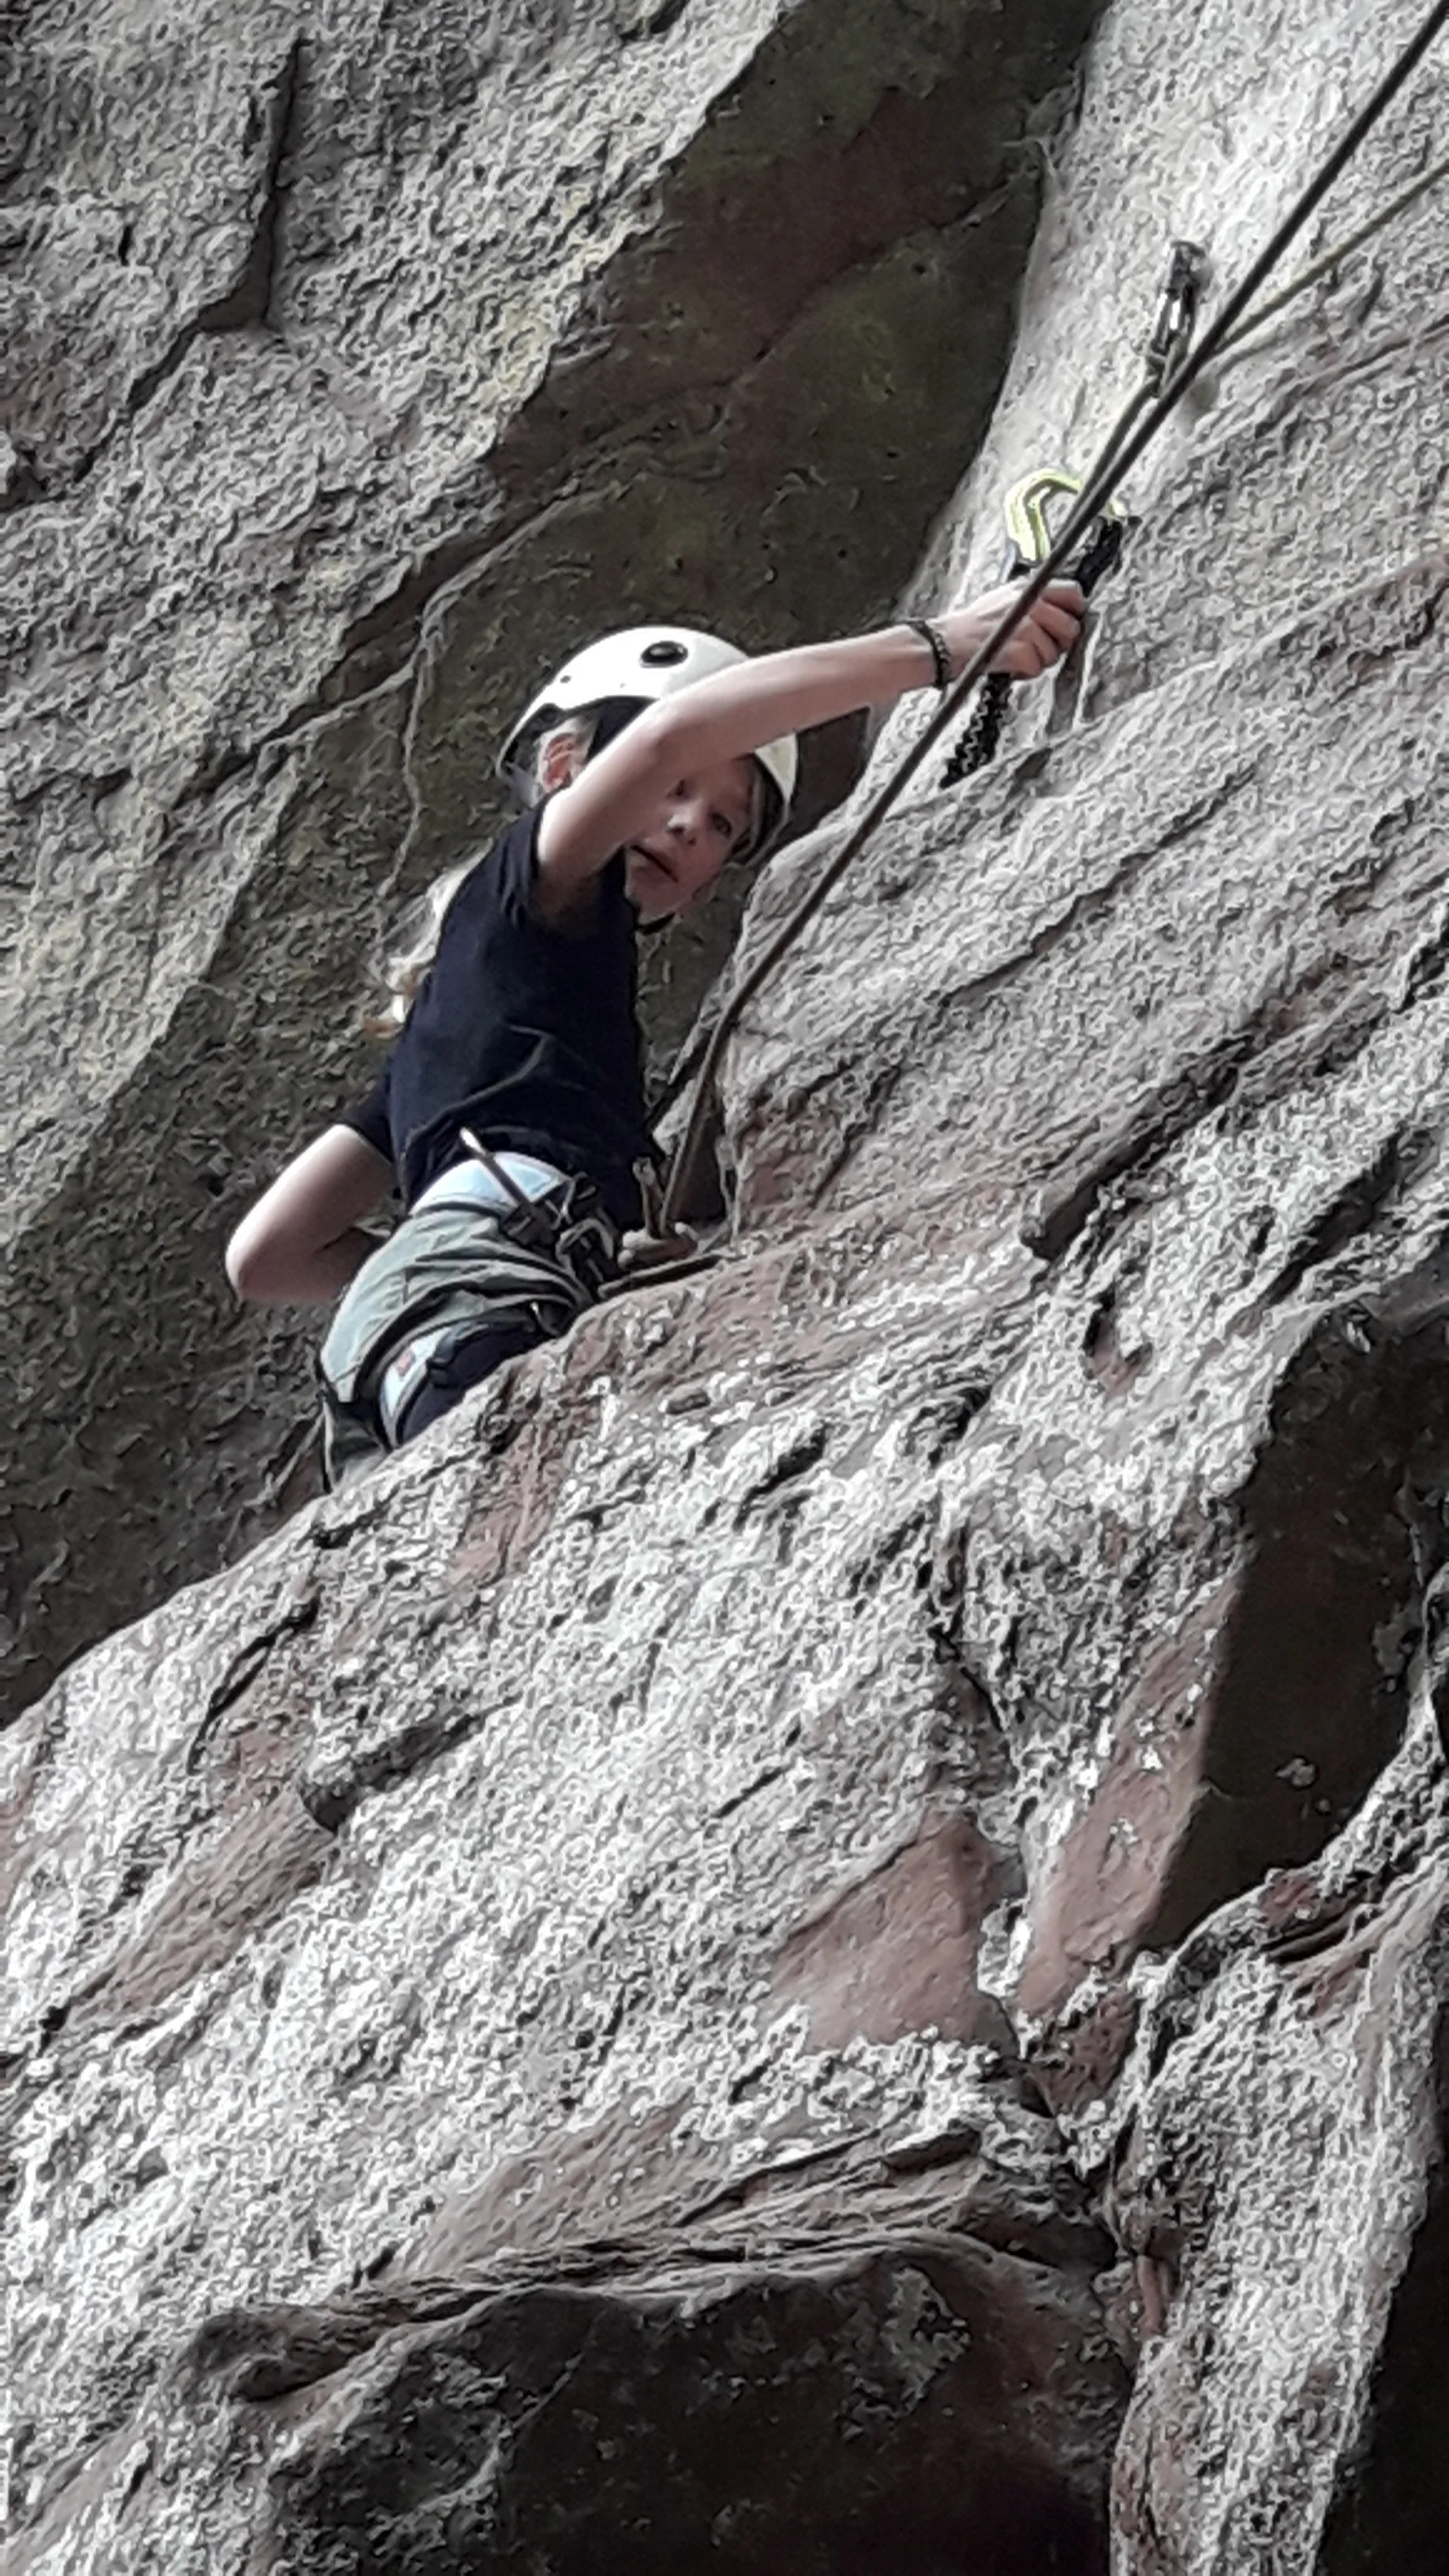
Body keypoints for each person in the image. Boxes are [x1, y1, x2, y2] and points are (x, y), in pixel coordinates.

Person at [226, 587, 1084, 1481]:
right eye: (678, 791)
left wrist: (488, 1259)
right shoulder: (527, 887)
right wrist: (938, 649)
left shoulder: (459, 1043)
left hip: (403, 1343)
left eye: (722, 825)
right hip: (472, 1304)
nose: (689, 825)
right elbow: (669, 734)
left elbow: (266, 1256)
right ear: (565, 766)